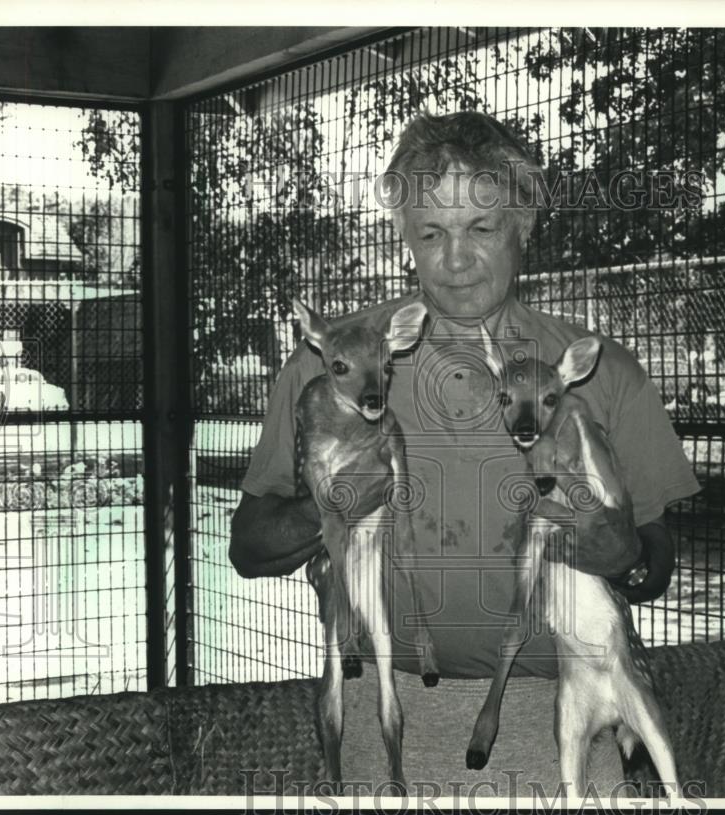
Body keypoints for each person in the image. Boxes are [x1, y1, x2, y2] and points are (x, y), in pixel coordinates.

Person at [230, 111, 700, 797]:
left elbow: (655, 554)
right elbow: (249, 546)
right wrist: (327, 505)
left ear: (524, 225)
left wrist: (621, 551)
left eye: (480, 229)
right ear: (404, 237)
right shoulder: (329, 370)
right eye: (431, 233)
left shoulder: (599, 372)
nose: (454, 261)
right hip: (384, 717)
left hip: (563, 710)